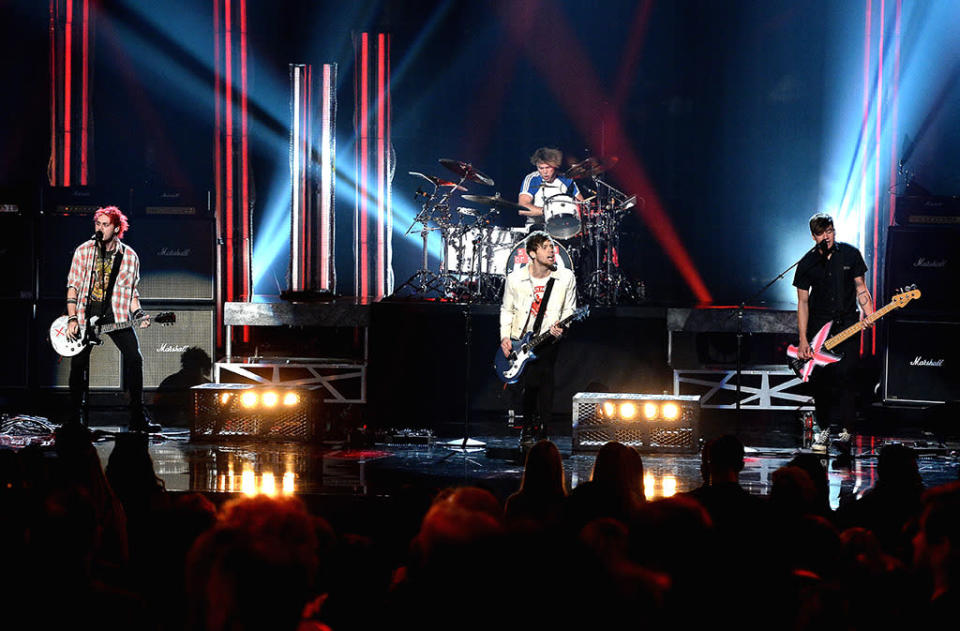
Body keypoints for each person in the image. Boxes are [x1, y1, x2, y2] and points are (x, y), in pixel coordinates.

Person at [65, 206, 159, 432]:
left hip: (115, 314)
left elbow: (131, 293)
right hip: (86, 315)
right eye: (97, 224)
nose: (100, 228)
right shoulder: (84, 251)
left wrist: (138, 314)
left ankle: (137, 415)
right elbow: (73, 286)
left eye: (105, 225)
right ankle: (73, 416)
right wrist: (72, 318)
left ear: (116, 228)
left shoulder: (129, 257)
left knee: (134, 359)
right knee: (78, 363)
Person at [793, 212, 873, 443]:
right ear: (813, 236)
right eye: (822, 233)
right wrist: (803, 340)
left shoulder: (850, 254)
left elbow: (861, 288)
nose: (827, 237)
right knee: (822, 383)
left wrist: (868, 313)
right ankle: (824, 429)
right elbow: (803, 302)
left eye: (830, 231)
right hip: (819, 330)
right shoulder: (807, 263)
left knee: (847, 378)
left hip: (847, 324)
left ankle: (848, 431)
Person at [500, 232, 577, 443]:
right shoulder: (515, 279)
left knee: (545, 378)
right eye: (545, 247)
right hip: (521, 340)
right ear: (533, 253)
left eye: (552, 246)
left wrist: (563, 327)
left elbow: (569, 309)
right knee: (531, 383)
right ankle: (529, 425)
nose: (552, 250)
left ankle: (542, 428)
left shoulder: (565, 277)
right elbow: (507, 309)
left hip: (549, 338)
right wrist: (505, 337)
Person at [518, 147, 584, 233]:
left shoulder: (566, 179)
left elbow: (581, 204)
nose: (545, 172)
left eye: (548, 168)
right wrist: (548, 211)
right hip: (537, 229)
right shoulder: (532, 179)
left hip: (563, 228)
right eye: (541, 168)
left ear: (555, 166)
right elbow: (522, 208)